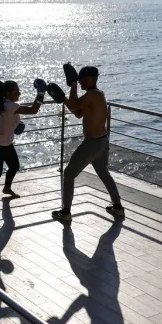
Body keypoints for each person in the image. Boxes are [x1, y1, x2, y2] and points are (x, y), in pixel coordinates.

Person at [50, 66, 124, 221]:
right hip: (102, 141)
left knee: (69, 174)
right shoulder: (96, 95)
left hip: (92, 143)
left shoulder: (92, 95)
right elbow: (77, 113)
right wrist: (62, 97)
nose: (80, 83)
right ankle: (117, 207)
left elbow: (73, 106)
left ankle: (65, 211)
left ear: (89, 79)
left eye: (81, 80)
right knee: (104, 173)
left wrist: (73, 86)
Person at [0, 79, 46, 218]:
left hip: (5, 144)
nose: (20, 92)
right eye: (17, 91)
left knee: (15, 166)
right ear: (8, 93)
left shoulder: (3, 104)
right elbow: (34, 110)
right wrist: (41, 93)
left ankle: (7, 188)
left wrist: (10, 124)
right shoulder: (10, 106)